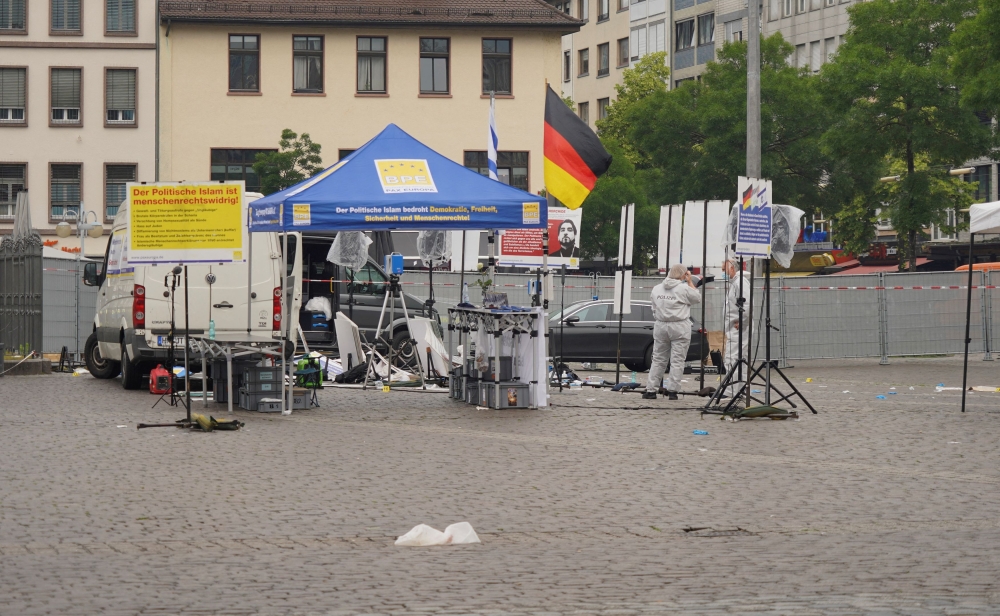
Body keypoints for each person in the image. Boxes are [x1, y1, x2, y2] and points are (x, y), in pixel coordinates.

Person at [643, 264, 701, 400]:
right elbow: (697, 298)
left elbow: (653, 307)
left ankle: (651, 390)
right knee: (677, 361)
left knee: (657, 359)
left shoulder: (657, 289)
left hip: (661, 325)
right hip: (679, 326)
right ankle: (673, 391)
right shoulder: (684, 288)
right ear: (682, 275)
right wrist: (690, 281)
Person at [722, 257, 752, 398]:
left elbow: (746, 304)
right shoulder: (736, 283)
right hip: (735, 326)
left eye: (724, 268)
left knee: (732, 358)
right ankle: (738, 390)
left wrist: (741, 320)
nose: (723, 272)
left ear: (732, 268)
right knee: (738, 359)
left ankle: (731, 391)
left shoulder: (740, 283)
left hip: (738, 327)